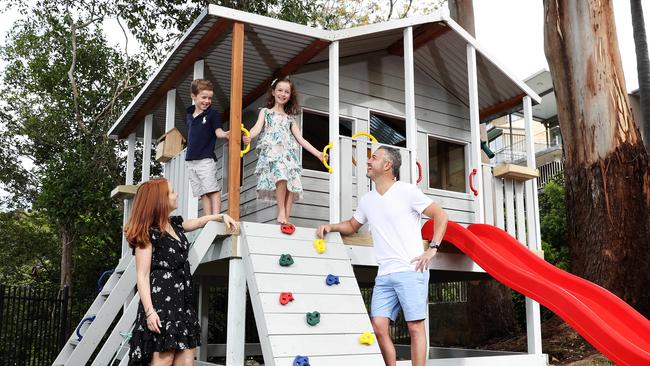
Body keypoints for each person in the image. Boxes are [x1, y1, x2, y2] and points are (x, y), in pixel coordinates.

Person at [317, 146, 448, 366]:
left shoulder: (407, 191)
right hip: (385, 274)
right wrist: (330, 227)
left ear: (387, 165)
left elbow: (440, 215)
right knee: (378, 326)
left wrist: (433, 248)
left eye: (373, 158)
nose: (368, 162)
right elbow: (352, 225)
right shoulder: (367, 200)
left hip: (410, 269)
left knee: (415, 327)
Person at [125, 177, 237, 366]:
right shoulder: (148, 233)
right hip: (161, 308)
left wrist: (220, 216)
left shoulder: (174, 224)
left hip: (183, 305)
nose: (176, 195)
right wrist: (150, 312)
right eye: (171, 192)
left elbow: (198, 221)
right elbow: (142, 276)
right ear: (160, 200)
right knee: (164, 358)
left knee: (186, 360)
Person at [243, 77, 324, 227]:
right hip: (273, 153)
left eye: (286, 92)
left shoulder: (290, 119)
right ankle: (281, 211)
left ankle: (286, 217)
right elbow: (256, 128)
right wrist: (249, 136)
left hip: (288, 154)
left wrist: (318, 153)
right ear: (273, 92)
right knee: (281, 177)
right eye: (280, 90)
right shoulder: (266, 112)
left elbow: (301, 139)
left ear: (290, 95)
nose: (282, 94)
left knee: (292, 181)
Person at [185, 79, 230, 216]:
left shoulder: (212, 114)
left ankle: (216, 217)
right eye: (203, 97)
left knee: (212, 190)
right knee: (202, 193)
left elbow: (218, 131)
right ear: (194, 96)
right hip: (191, 160)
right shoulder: (189, 114)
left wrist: (226, 134)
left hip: (205, 159)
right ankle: (208, 218)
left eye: (209, 98)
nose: (207, 101)